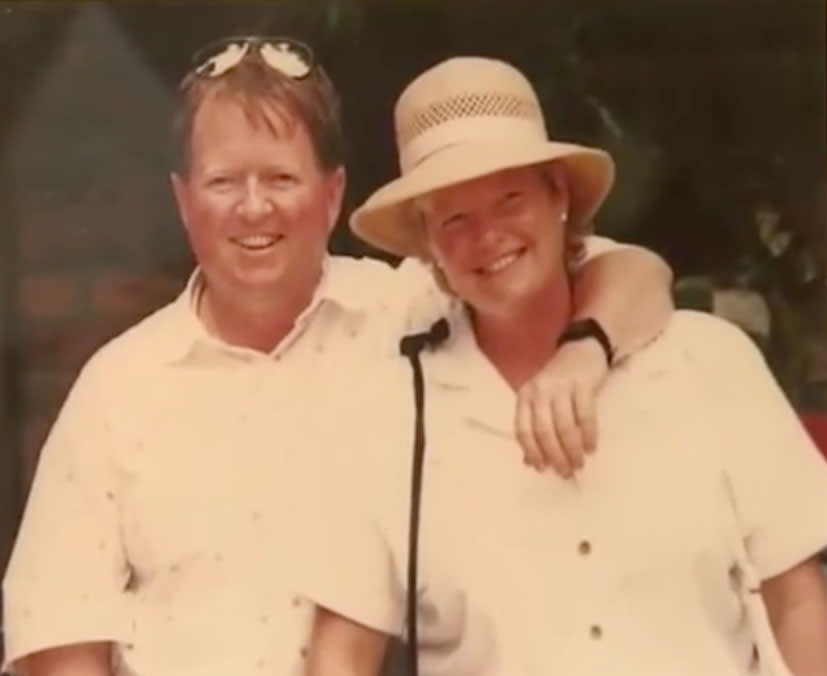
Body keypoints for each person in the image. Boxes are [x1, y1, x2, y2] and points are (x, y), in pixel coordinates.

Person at [0, 38, 672, 676]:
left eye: (281, 178)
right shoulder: (120, 387)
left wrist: (581, 353)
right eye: (224, 181)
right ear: (182, 201)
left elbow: (629, 271)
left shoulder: (410, 311)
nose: (253, 207)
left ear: (331, 195)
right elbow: (60, 634)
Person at [298, 56, 827, 676]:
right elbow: (342, 654)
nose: (488, 235)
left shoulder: (707, 361)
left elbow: (796, 596)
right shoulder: (392, 410)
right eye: (455, 219)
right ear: (429, 246)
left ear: (561, 197)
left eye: (510, 198)